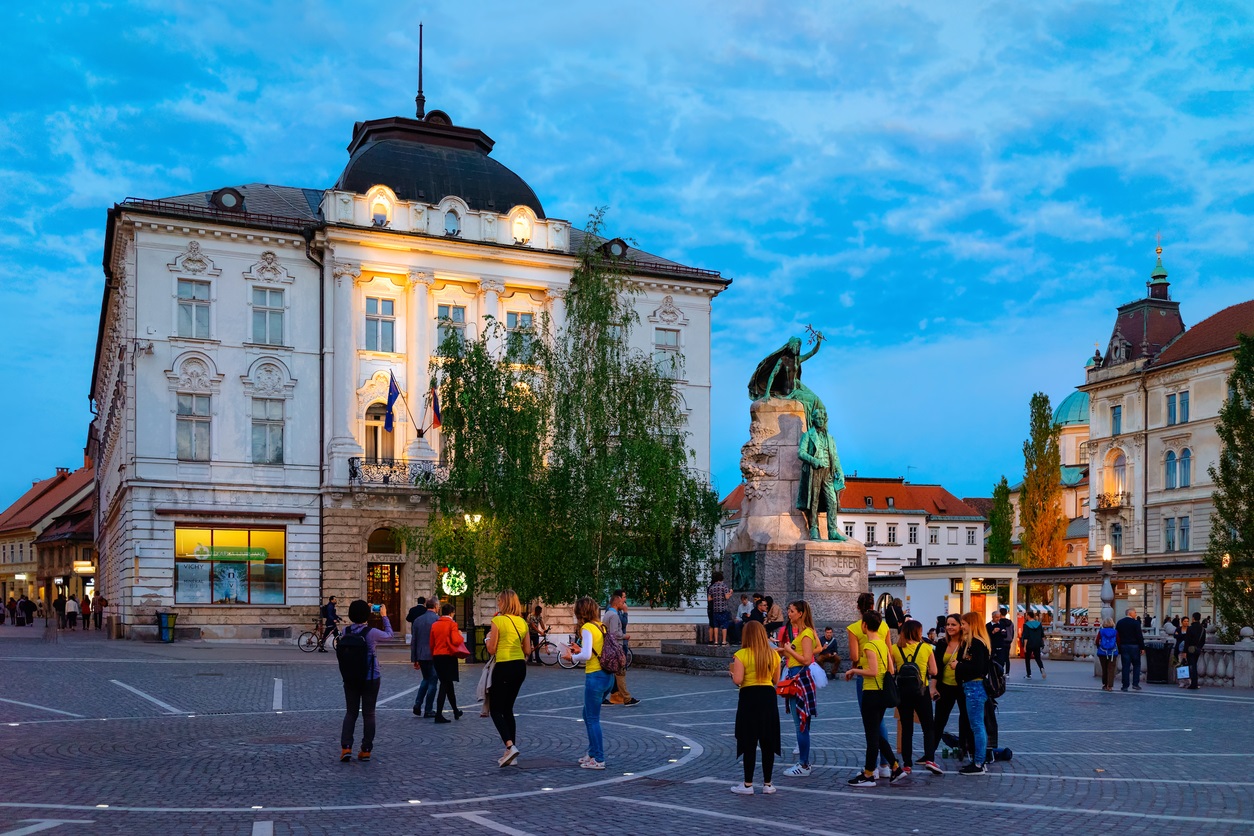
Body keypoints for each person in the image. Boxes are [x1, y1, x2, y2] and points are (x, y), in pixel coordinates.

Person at [844, 609, 906, 787]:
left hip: (871, 692)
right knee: (876, 735)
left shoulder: (869, 646)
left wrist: (854, 669)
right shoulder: (883, 645)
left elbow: (873, 671)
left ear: (864, 625)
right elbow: (891, 670)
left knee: (871, 737)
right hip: (881, 693)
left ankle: (869, 774)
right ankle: (895, 766)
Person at [337, 600, 393, 762]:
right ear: (367, 615)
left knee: (351, 712)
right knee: (369, 714)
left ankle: (346, 747)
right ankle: (366, 749)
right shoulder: (371, 633)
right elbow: (389, 635)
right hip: (370, 677)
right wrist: (384, 616)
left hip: (350, 677)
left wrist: (362, 610)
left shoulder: (345, 630)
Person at [729, 620, 781, 794]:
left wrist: (732, 674)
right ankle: (768, 784)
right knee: (768, 740)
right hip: (768, 696)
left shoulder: (741, 654)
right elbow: (776, 680)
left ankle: (748, 784)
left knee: (749, 740)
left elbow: (738, 680)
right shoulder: (774, 655)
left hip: (749, 697)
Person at [564, 596, 614, 769]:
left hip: (595, 676)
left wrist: (572, 657)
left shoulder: (586, 628)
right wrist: (580, 650)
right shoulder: (601, 626)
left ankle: (599, 759)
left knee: (592, 718)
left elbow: (586, 656)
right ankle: (592, 753)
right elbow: (594, 649)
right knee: (587, 715)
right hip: (608, 676)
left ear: (580, 612)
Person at [485, 589, 531, 768]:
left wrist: (488, 638)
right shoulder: (523, 623)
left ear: (504, 602)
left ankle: (510, 746)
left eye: (499, 600)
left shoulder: (498, 621)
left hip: (504, 665)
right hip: (519, 666)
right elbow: (527, 651)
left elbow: (491, 649)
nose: (498, 603)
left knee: (496, 709)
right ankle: (511, 752)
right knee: (508, 709)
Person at [847, 591, 891, 778]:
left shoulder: (854, 628)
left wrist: (855, 667)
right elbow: (889, 651)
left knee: (871, 722)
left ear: (858, 607)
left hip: (866, 676)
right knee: (880, 721)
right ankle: (886, 764)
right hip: (883, 675)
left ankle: (873, 767)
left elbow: (854, 657)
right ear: (873, 606)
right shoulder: (884, 626)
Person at [892, 619, 942, 775]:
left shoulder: (894, 648)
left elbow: (891, 670)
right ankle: (929, 759)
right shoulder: (926, 648)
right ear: (918, 632)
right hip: (921, 692)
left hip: (902, 693)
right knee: (928, 726)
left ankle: (907, 764)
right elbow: (934, 671)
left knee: (907, 728)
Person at [778, 600, 818, 778]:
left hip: (799, 677)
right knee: (802, 723)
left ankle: (803, 764)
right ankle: (803, 762)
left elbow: (807, 659)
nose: (789, 613)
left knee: (800, 723)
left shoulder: (807, 633)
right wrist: (783, 650)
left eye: (792, 611)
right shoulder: (802, 634)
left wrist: (789, 650)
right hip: (797, 675)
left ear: (800, 613)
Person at [952, 612, 991, 775]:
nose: (962, 626)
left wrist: (958, 666)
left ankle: (979, 763)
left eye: (964, 623)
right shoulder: (970, 642)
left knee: (977, 726)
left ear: (972, 624)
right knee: (976, 725)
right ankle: (979, 760)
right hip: (971, 686)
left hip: (975, 686)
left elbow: (978, 668)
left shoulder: (977, 643)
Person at [604, 590, 640, 707]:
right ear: (617, 602)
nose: (623, 603)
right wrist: (625, 636)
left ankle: (604, 698)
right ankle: (627, 698)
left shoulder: (607, 614)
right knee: (620, 673)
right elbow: (614, 633)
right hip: (616, 647)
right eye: (621, 601)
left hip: (610, 647)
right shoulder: (614, 615)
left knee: (612, 675)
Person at [429, 603, 465, 723]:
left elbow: (431, 643)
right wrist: (460, 636)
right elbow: (456, 641)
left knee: (448, 685)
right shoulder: (452, 624)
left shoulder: (435, 625)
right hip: (448, 657)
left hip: (437, 656)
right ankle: (438, 714)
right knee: (445, 685)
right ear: (451, 613)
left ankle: (456, 711)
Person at [410, 597, 439, 717]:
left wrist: (414, 658)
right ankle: (428, 709)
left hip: (421, 655)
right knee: (433, 681)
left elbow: (414, 640)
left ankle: (418, 703)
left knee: (425, 679)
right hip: (434, 654)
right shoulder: (437, 620)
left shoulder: (417, 620)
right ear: (436, 606)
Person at [1115, 607, 1145, 691]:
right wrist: (1142, 647)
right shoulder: (1136, 623)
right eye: (1135, 612)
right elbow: (1139, 636)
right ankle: (1135, 684)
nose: (1136, 614)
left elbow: (1117, 636)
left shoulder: (1120, 622)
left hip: (1124, 646)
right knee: (1136, 665)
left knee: (1125, 666)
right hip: (1135, 646)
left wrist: (1119, 646)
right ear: (1130, 613)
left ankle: (1125, 685)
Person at [987, 605, 1014, 675]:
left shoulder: (1002, 624)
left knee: (1002, 660)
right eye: (996, 617)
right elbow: (986, 635)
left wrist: (1002, 632)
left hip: (1001, 645)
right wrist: (993, 632)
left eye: (999, 617)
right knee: (992, 661)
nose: (998, 619)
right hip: (992, 645)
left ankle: (1001, 673)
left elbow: (1005, 634)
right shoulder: (988, 625)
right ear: (992, 617)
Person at [707, 571, 732, 646]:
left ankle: (716, 641)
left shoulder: (712, 587)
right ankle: (724, 641)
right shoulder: (724, 586)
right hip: (723, 608)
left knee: (716, 625)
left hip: (715, 609)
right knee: (724, 625)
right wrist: (730, 593)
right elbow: (727, 597)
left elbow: (709, 599)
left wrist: (715, 598)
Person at [1184, 611, 1206, 690]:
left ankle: (1193, 683)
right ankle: (1195, 683)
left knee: (1192, 666)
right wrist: (1199, 647)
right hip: (1197, 649)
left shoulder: (1190, 628)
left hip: (1190, 649)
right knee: (1194, 665)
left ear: (1193, 618)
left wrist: (1185, 651)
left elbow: (1187, 641)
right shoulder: (1203, 629)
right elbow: (1203, 641)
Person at [1096, 617, 1119, 691]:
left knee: (1104, 668)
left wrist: (1099, 647)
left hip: (1102, 652)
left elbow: (1097, 641)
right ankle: (1110, 685)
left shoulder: (1101, 631)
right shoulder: (1115, 632)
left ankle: (1105, 684)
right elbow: (1118, 641)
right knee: (1111, 669)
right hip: (1112, 652)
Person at [1022, 611, 1046, 678]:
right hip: (1037, 643)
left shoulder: (1026, 625)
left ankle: (1029, 674)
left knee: (1027, 659)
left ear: (1029, 616)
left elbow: (1026, 637)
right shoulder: (1039, 624)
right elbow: (1042, 635)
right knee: (1038, 658)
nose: (1026, 617)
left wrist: (1024, 646)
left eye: (1026, 615)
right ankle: (1042, 668)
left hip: (1029, 644)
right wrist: (1043, 643)